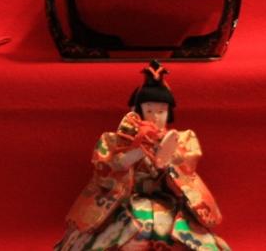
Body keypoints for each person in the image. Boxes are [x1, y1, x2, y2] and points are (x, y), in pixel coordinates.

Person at [56, 60, 229, 250]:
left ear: (169, 113)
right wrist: (136, 151)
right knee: (121, 235)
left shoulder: (182, 139)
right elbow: (106, 169)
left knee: (179, 236)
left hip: (168, 202)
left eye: (161, 111)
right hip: (127, 203)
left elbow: (187, 169)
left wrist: (167, 159)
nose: (155, 116)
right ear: (138, 111)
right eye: (149, 110)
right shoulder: (117, 141)